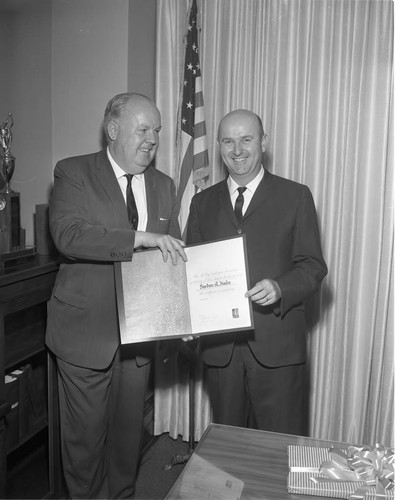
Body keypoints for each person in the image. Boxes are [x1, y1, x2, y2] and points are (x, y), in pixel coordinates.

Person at [46, 92, 187, 499]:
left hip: (138, 335)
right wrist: (142, 238)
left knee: (127, 442)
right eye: (143, 129)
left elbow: (172, 255)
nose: (152, 139)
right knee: (85, 447)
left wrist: (185, 316)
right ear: (113, 130)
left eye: (157, 131)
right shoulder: (73, 172)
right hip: (86, 334)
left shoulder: (164, 184)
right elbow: (69, 235)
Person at [186, 109, 327, 435]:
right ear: (219, 147)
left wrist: (280, 288)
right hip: (221, 351)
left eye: (246, 139)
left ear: (263, 142)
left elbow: (313, 266)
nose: (237, 150)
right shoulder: (201, 203)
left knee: (280, 448)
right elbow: (191, 272)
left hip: (277, 346)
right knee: (228, 449)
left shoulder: (296, 196)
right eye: (228, 141)